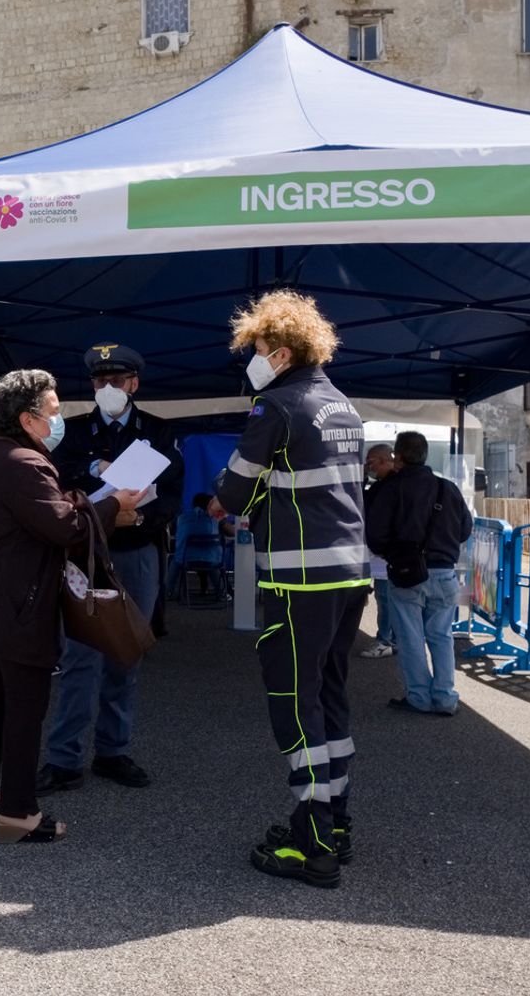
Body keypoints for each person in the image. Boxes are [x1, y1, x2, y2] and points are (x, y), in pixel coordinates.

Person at [209, 290, 370, 889]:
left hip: (300, 576)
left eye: (253, 349)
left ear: (278, 351)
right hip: (351, 572)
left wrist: (220, 500)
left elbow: (234, 491)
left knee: (294, 704)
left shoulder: (274, 406)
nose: (249, 359)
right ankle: (336, 821)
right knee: (330, 697)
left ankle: (314, 844)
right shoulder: (343, 407)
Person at [0, 369, 142, 844]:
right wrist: (114, 506)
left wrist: (86, 503)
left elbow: (32, 515)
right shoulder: (23, 463)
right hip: (14, 602)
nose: (59, 419)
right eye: (53, 411)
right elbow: (65, 529)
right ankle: (18, 813)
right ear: (29, 419)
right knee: (25, 707)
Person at [37, 342, 184, 797]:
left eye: (116, 381)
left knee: (126, 653)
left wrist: (137, 517)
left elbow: (174, 492)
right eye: (100, 382)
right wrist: (96, 465)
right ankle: (64, 759)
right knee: (81, 656)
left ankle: (113, 750)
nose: (108, 388)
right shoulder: (73, 433)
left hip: (137, 550)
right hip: (85, 552)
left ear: (134, 384)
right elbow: (54, 475)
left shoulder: (158, 432)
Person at [366, 431, 474, 717]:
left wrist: (392, 554)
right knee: (441, 636)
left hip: (407, 573)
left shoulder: (391, 489)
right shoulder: (447, 488)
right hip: (445, 574)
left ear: (398, 457)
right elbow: (465, 529)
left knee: (410, 637)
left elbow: (375, 535)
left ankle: (419, 698)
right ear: (424, 455)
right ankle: (445, 698)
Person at [358, 444, 399, 660]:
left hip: (386, 553)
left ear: (384, 460)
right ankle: (390, 638)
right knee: (387, 598)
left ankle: (386, 640)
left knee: (386, 598)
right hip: (384, 552)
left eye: (371, 462)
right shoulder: (383, 485)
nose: (368, 466)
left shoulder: (391, 486)